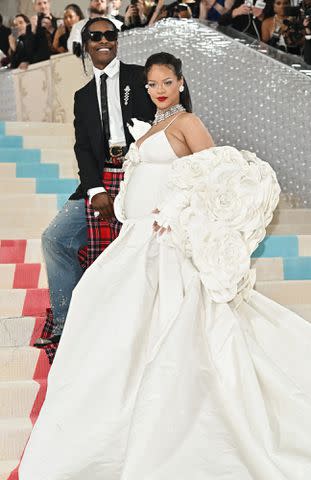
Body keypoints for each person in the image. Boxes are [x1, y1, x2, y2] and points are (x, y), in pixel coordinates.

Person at [19, 51, 311, 479]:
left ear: (180, 83)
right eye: (151, 84)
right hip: (136, 236)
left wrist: (172, 213)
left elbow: (218, 174)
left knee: (169, 320)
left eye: (166, 82)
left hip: (165, 240)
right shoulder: (155, 125)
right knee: (105, 308)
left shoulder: (187, 123)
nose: (158, 90)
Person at [34, 17, 155, 348]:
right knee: (55, 239)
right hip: (99, 178)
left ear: (116, 40)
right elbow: (83, 148)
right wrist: (95, 189)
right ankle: (66, 323)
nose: (103, 40)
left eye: (109, 35)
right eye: (95, 36)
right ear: (85, 44)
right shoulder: (82, 96)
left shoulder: (141, 76)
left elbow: (169, 115)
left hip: (142, 177)